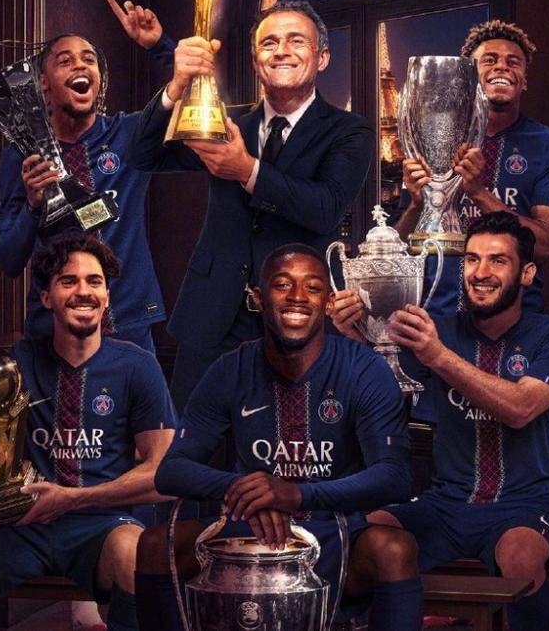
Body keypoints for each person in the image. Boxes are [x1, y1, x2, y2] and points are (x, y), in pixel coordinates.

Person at [134, 244, 423, 631]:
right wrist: (249, 492)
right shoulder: (231, 369)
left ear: (328, 302)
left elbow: (394, 476)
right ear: (258, 298)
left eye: (313, 287)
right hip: (247, 532)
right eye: (282, 285)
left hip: (334, 532)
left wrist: (296, 495)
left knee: (395, 550)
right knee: (155, 545)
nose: (297, 297)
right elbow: (172, 471)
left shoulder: (364, 368)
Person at [113, 0, 373, 412]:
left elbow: (324, 207)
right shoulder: (227, 122)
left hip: (297, 322)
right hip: (211, 320)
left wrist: (247, 170)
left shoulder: (350, 131)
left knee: (287, 444)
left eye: (296, 41)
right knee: (194, 444)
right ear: (256, 63)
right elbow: (142, 154)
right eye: (269, 43)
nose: (281, 50)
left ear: (322, 57)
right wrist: (176, 86)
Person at [334, 211, 549, 631]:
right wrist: (358, 334)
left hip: (526, 504)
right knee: (362, 536)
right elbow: (383, 377)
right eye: (472, 259)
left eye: (498, 260)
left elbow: (521, 408)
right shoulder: (438, 329)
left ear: (526, 273)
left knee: (520, 557)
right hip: (445, 505)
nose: (481, 273)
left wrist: (439, 356)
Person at [0, 232, 176, 631]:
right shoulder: (13, 364)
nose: (83, 291)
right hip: (20, 528)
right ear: (47, 297)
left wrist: (72, 499)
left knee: (136, 556)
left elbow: (165, 475)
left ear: (107, 296)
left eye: (94, 281)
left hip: (101, 527)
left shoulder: (137, 366)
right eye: (68, 281)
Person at [0, 11, 171, 353]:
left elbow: (199, 101)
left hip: (129, 326)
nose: (80, 65)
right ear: (44, 82)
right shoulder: (21, 155)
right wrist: (33, 206)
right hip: (52, 334)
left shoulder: (130, 134)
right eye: (65, 61)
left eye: (89, 60)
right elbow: (9, 260)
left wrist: (160, 46)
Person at [395, 19, 549, 316]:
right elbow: (398, 246)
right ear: (468, 76)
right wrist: (416, 205)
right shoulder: (432, 137)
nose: (501, 67)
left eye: (513, 62)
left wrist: (479, 194)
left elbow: (544, 246)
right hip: (433, 313)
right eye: (489, 60)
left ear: (524, 80)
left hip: (512, 320)